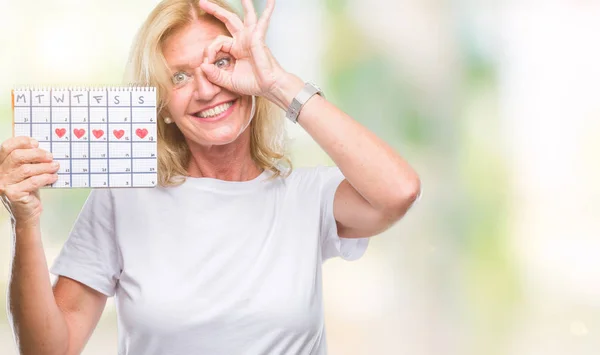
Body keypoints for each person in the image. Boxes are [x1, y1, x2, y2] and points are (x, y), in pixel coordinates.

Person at [1, 0, 421, 354]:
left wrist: (277, 83)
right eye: (179, 77)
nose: (206, 89)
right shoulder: (121, 199)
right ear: (161, 102)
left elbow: (398, 191)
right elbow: (47, 349)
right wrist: (27, 220)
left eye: (221, 62)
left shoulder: (307, 196)